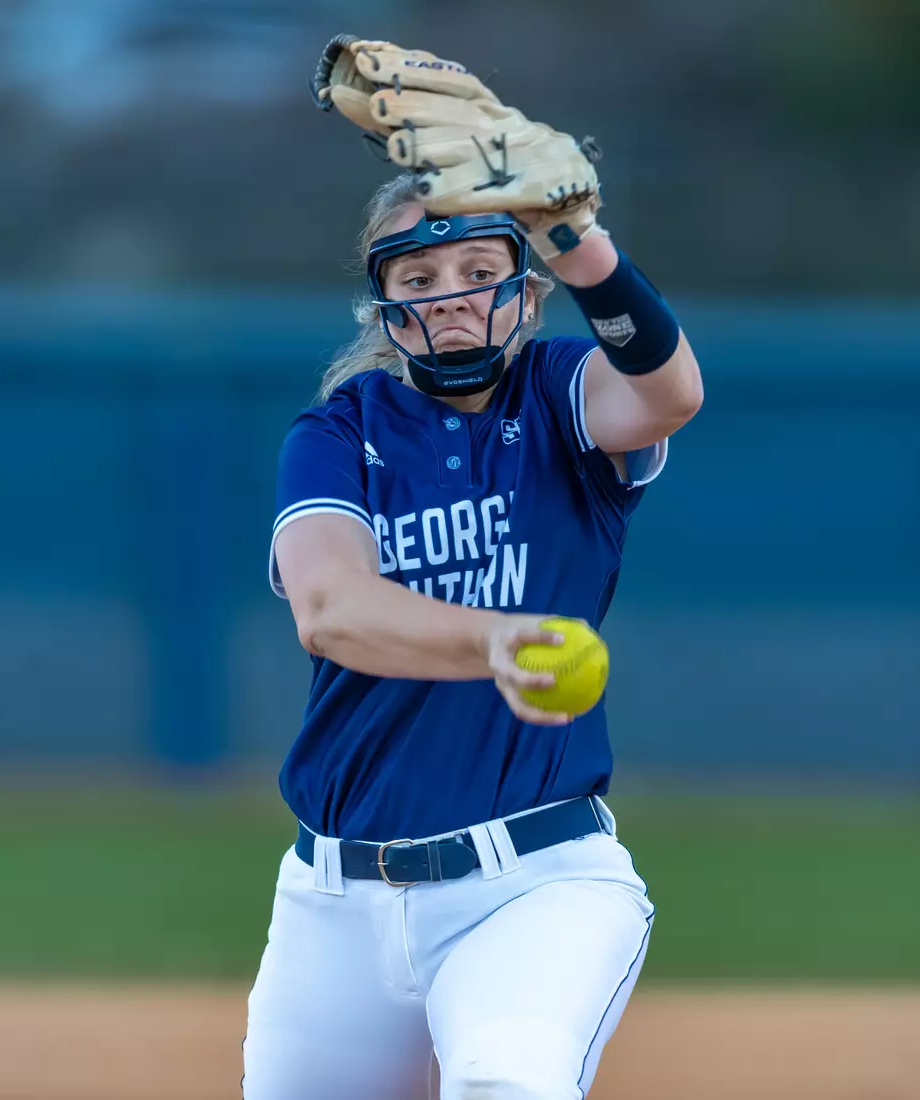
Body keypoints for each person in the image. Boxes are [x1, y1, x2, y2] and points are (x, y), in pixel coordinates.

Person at [243, 37, 704, 1100]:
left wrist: (578, 242)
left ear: (527, 296)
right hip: (334, 900)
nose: (451, 295)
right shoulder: (339, 431)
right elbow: (329, 606)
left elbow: (669, 393)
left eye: (482, 270)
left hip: (534, 883)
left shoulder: (559, 396)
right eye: (421, 276)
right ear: (385, 303)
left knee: (507, 1079)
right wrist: (495, 638)